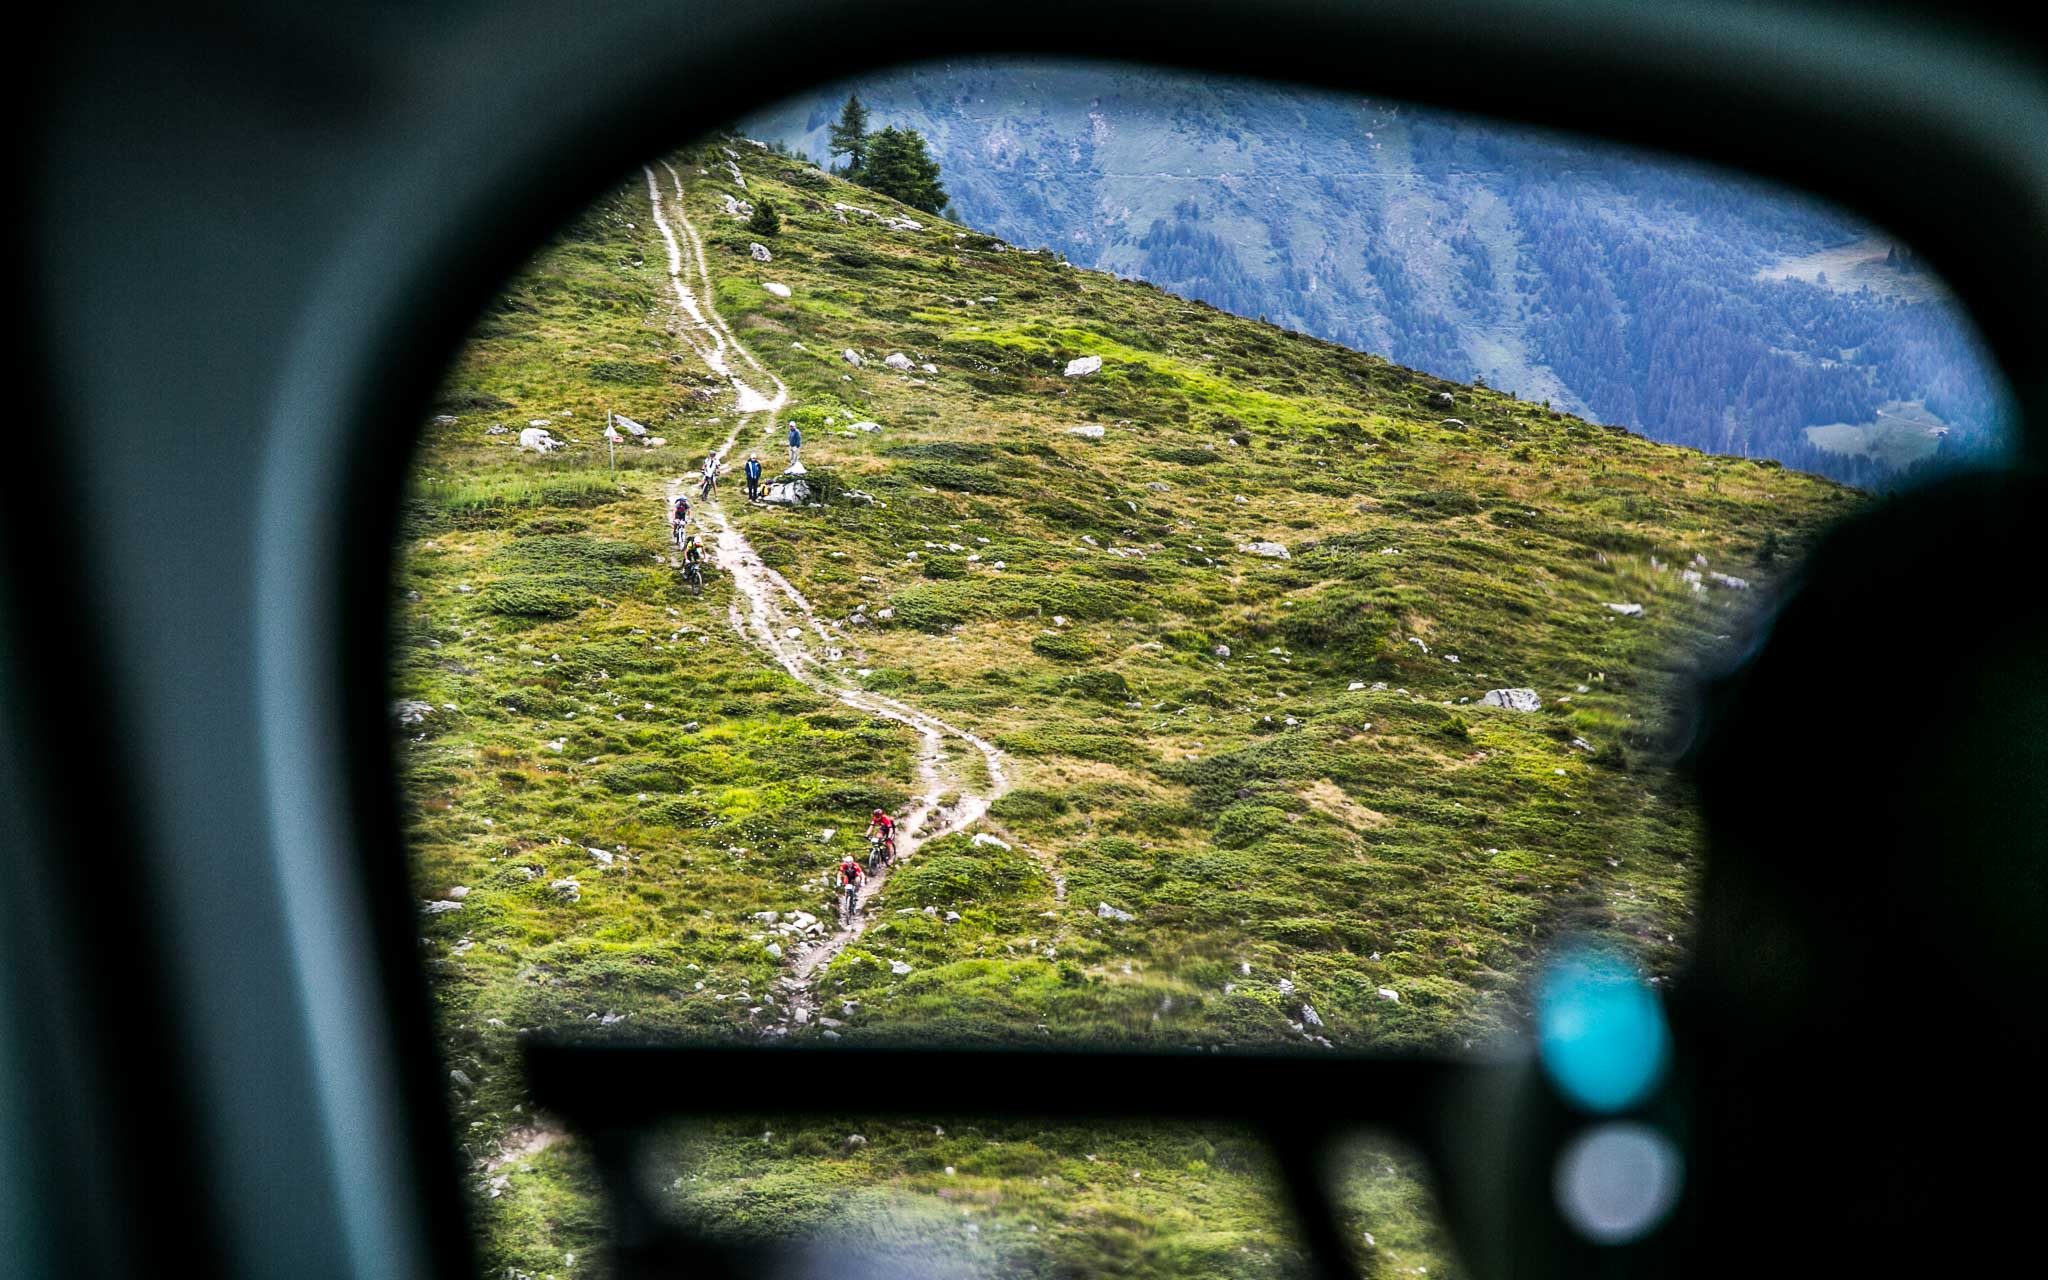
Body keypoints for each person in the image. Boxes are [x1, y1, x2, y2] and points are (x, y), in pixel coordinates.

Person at [836, 852, 865, 918]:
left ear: (852, 862)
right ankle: (847, 898)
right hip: (848, 877)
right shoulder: (843, 865)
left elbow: (861, 874)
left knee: (857, 880)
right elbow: (839, 873)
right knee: (846, 885)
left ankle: (856, 893)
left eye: (850, 862)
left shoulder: (855, 866)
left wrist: (862, 881)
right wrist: (838, 880)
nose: (848, 864)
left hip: (855, 876)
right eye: (847, 862)